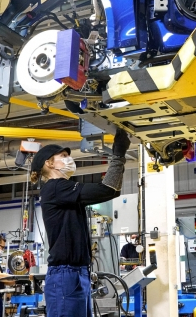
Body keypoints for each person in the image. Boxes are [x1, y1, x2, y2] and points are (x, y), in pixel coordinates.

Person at [30, 128, 131, 317]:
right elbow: (107, 189)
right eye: (63, 156)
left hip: (76, 274)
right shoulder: (54, 188)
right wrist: (118, 155)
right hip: (65, 276)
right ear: (49, 163)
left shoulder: (63, 191)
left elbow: (112, 190)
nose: (69, 159)